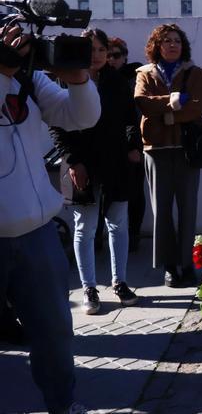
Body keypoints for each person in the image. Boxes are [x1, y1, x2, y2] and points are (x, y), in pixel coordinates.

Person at [0, 22, 98, 413]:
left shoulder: (28, 76)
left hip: (36, 232)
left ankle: (63, 404)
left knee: (55, 335)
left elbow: (81, 116)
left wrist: (78, 79)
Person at [50, 28, 140, 314]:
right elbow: (57, 126)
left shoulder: (117, 81)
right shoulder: (66, 81)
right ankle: (89, 287)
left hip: (115, 162)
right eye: (92, 50)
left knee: (118, 224)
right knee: (85, 227)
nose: (98, 55)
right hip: (82, 164)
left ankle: (120, 281)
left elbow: (129, 118)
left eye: (103, 50)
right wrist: (73, 160)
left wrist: (132, 146)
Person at [134, 24, 202, 288]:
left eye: (177, 40)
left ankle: (187, 265)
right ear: (157, 45)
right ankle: (169, 267)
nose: (172, 45)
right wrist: (175, 102)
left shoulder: (194, 72)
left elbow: (197, 106)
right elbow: (142, 102)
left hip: (187, 150)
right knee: (161, 211)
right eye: (166, 41)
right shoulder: (144, 73)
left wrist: (163, 112)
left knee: (188, 208)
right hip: (156, 150)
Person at [108, 37, 147, 253]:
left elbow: (135, 113)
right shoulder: (100, 78)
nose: (112, 60)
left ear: (124, 57)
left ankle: (134, 234)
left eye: (117, 55)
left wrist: (133, 145)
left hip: (133, 142)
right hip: (107, 144)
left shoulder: (135, 77)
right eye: (109, 55)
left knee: (134, 191)